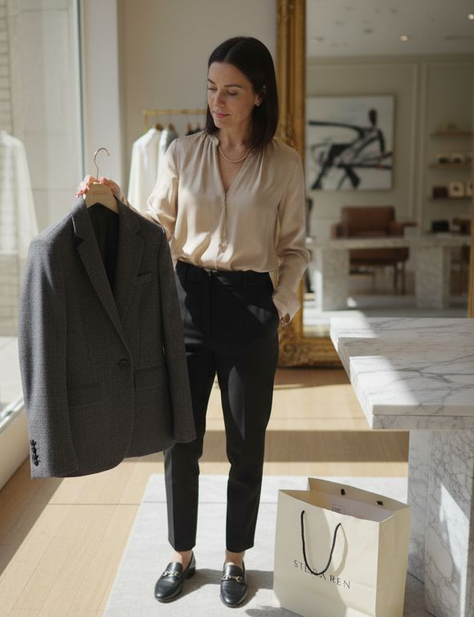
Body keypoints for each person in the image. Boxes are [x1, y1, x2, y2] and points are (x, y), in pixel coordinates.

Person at [76, 36, 309, 608]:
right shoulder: (181, 154)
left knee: (246, 444)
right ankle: (182, 554)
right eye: (211, 88)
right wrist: (108, 202)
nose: (217, 102)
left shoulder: (284, 164)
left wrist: (275, 308)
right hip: (187, 302)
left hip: (249, 304)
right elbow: (154, 229)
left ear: (259, 95)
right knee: (180, 439)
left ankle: (235, 560)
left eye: (231, 91)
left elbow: (296, 250)